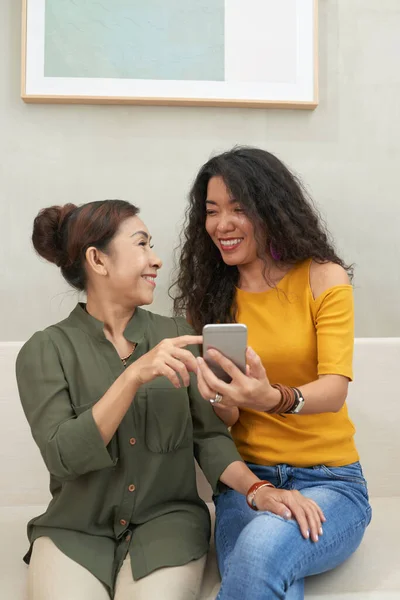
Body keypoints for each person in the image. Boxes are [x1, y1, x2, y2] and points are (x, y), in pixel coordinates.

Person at [17, 199, 323, 600]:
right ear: (98, 260)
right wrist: (133, 376)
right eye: (142, 245)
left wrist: (257, 490)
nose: (157, 260)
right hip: (74, 531)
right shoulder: (44, 351)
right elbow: (63, 456)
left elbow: (210, 438)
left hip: (168, 527)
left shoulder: (180, 334)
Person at [173, 147, 372, 600]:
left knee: (259, 553)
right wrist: (223, 401)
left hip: (330, 480)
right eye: (211, 211)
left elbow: (334, 389)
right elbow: (224, 424)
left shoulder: (323, 278)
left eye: (239, 209)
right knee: (265, 568)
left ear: (272, 208)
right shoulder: (208, 299)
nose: (221, 224)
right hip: (248, 484)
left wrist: (273, 398)